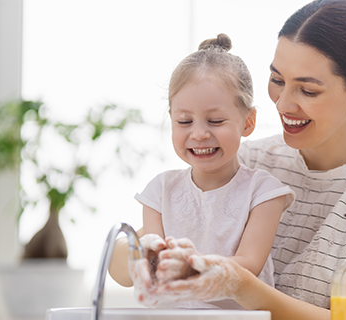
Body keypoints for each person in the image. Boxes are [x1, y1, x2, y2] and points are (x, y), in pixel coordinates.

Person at [126, 0, 346, 319]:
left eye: (308, 91)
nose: (283, 104)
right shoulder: (249, 159)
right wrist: (141, 256)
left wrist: (239, 286)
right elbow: (142, 248)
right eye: (277, 80)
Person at [108, 33, 295, 310]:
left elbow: (249, 265)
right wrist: (146, 261)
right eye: (184, 121)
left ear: (248, 122)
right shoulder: (160, 191)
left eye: (215, 120)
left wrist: (192, 267)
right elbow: (153, 260)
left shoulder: (263, 192)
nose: (198, 134)